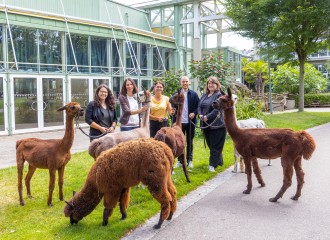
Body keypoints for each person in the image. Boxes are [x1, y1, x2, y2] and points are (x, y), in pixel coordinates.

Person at [198, 76, 226, 172]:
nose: (210, 85)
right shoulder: (204, 95)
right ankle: (219, 161)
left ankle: (212, 165)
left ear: (217, 85)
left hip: (217, 125)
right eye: (209, 83)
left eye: (213, 83)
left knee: (215, 146)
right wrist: (200, 115)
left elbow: (217, 109)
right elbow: (199, 106)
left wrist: (207, 117)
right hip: (206, 125)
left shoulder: (219, 96)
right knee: (211, 145)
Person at [173, 76, 199, 169]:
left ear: (189, 83)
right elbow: (173, 109)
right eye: (183, 81)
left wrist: (194, 113)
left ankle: (189, 160)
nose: (185, 83)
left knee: (189, 141)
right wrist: (174, 122)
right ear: (181, 83)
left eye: (186, 81)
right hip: (179, 123)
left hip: (190, 122)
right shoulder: (176, 94)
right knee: (179, 143)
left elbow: (198, 107)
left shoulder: (194, 94)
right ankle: (180, 161)